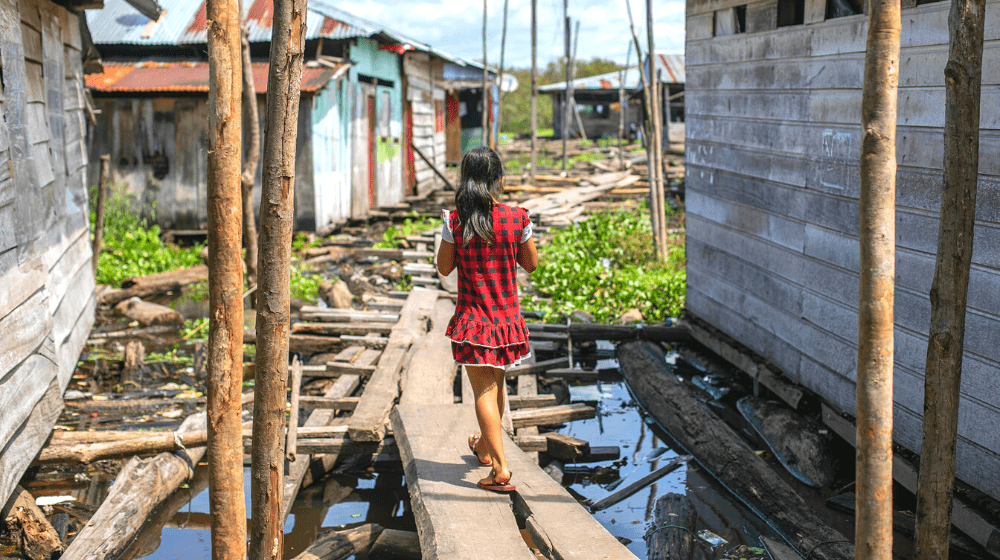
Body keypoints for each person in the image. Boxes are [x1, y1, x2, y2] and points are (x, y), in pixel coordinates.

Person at [436, 146, 538, 493]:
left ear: (465, 181)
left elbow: (444, 268)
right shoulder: (518, 218)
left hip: (473, 320)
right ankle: (483, 448)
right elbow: (531, 264)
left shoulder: (456, 221)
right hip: (507, 320)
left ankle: (500, 469)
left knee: (483, 390)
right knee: (497, 385)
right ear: (500, 181)